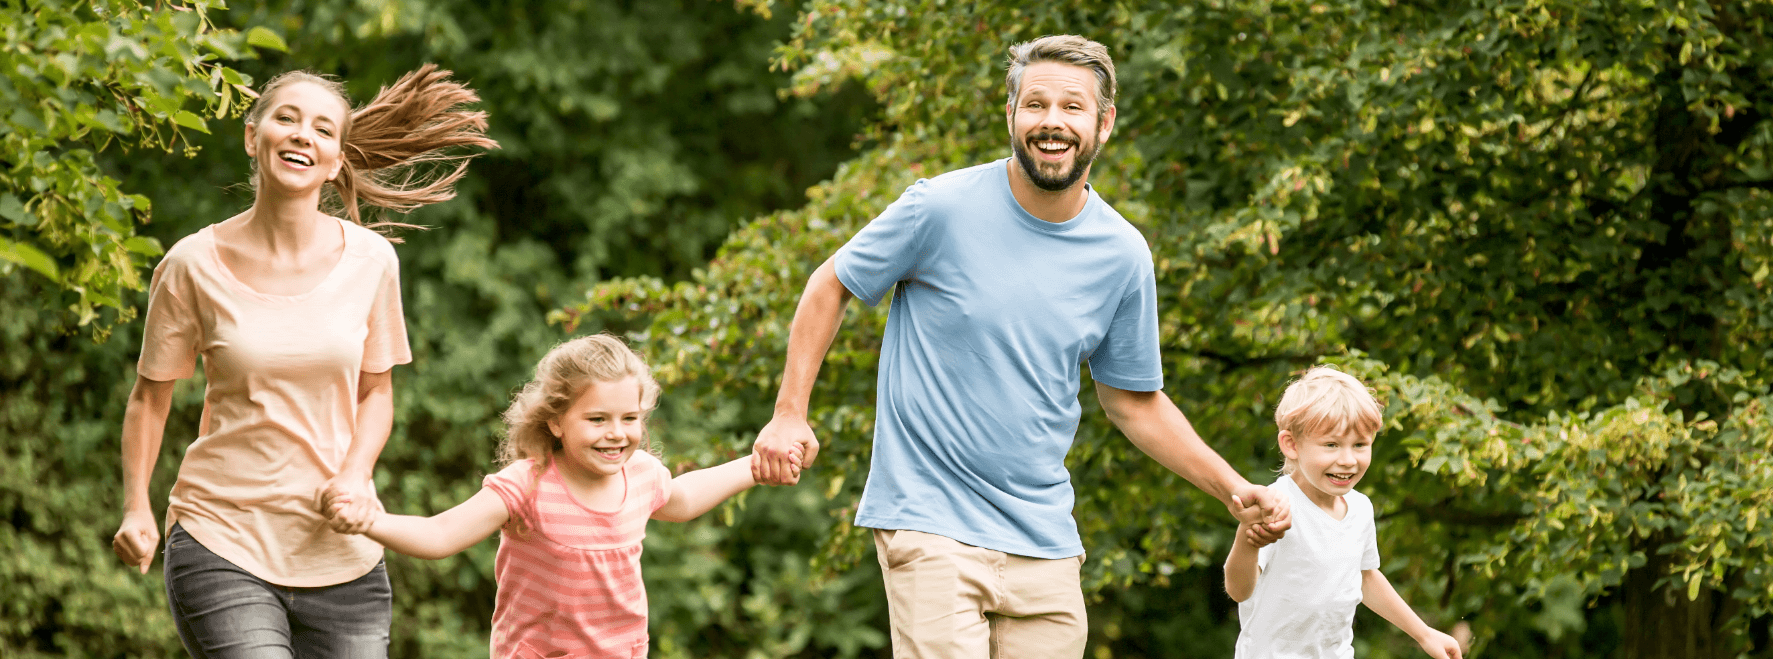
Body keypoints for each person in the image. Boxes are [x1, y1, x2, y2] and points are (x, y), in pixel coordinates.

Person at [748, 34, 1290, 658]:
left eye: (1072, 107)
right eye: (1035, 105)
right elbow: (830, 285)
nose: (1052, 123)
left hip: (1046, 543)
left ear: (1104, 123)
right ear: (1010, 115)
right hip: (930, 522)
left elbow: (1134, 402)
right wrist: (789, 412)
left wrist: (1232, 488)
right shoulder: (939, 208)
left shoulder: (1121, 254)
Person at [111, 65, 496, 658]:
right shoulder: (191, 264)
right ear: (252, 136)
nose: (301, 135)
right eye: (285, 119)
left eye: (321, 128)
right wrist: (138, 504)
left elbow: (376, 394)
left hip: (343, 550)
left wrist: (355, 471)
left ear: (337, 158)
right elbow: (150, 396)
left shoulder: (371, 261)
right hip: (223, 537)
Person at [324, 334, 789, 658]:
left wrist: (754, 465)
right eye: (597, 419)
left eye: (630, 418)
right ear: (554, 421)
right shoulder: (527, 484)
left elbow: (683, 498)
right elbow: (442, 534)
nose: (617, 434)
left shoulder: (642, 474)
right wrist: (367, 521)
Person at [1224, 367, 1464, 659]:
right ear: (1291, 445)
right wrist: (1247, 540)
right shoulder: (1275, 506)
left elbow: (1364, 577)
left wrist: (1425, 634)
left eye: (1360, 445)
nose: (1348, 460)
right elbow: (1239, 591)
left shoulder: (1360, 508)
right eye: (1331, 445)